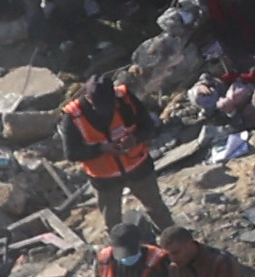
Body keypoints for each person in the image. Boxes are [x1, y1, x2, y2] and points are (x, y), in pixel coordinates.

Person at [66, 69, 174, 231]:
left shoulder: (125, 99)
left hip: (139, 167)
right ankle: (125, 251)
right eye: (100, 106)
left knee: (156, 208)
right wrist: (101, 149)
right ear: (89, 99)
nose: (107, 109)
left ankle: (172, 239)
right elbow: (71, 153)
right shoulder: (73, 115)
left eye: (109, 104)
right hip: (105, 179)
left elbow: (149, 126)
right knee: (113, 222)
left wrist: (135, 138)